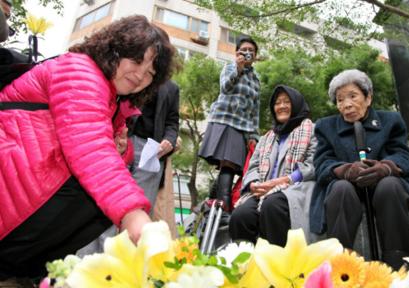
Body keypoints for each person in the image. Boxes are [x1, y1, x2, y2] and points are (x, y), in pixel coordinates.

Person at [0, 15, 176, 279]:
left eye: (150, 72)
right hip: (10, 179)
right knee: (94, 193)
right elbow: (90, 148)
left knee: (97, 198)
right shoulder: (80, 71)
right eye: (136, 60)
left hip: (25, 186)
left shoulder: (114, 101)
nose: (140, 75)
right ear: (113, 50)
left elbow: (106, 152)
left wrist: (121, 150)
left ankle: (20, 274)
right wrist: (133, 216)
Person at [310, 69, 409, 270]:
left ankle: (402, 267)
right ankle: (340, 269)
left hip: (383, 186)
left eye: (353, 96)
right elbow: (322, 163)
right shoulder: (326, 126)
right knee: (340, 189)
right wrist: (345, 170)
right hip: (347, 189)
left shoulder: (391, 121)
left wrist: (386, 167)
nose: (347, 104)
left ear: (368, 98)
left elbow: (406, 158)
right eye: (340, 100)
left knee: (390, 186)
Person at [229, 85, 316, 246]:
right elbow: (253, 167)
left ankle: (278, 266)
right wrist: (254, 184)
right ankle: (244, 267)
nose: (281, 106)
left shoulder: (312, 131)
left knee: (272, 206)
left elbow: (313, 164)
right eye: (277, 103)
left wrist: (286, 179)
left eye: (286, 102)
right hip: (263, 190)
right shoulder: (266, 138)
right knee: (241, 215)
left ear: (296, 104)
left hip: (295, 189)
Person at [198, 36, 260, 213]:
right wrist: (238, 70)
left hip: (243, 128)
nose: (248, 53)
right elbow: (225, 88)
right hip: (225, 120)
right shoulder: (230, 67)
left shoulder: (256, 79)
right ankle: (223, 203)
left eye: (251, 51)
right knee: (229, 164)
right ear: (237, 52)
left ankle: (212, 200)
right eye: (244, 50)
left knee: (230, 166)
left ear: (255, 56)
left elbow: (255, 109)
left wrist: (255, 135)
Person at [129, 79, 180, 211]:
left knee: (139, 208)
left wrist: (169, 139)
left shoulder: (171, 88)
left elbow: (172, 122)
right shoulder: (132, 73)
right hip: (122, 142)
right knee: (109, 201)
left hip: (152, 151)